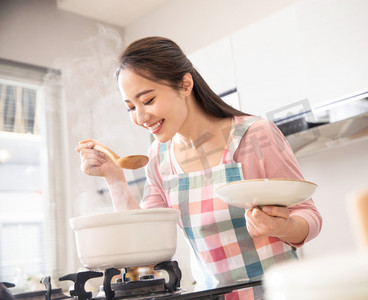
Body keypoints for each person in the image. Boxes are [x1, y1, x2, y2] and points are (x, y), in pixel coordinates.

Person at [76, 36, 322, 299]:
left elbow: (309, 215)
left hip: (279, 293)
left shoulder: (254, 136)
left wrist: (281, 228)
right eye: (130, 108)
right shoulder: (159, 157)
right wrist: (114, 178)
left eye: (147, 100)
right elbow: (144, 239)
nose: (139, 117)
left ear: (185, 84)